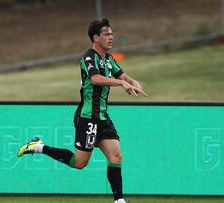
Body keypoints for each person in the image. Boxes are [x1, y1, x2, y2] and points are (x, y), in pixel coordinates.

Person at [17, 18, 147, 203]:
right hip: (87, 117)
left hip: (102, 117)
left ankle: (119, 200)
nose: (111, 37)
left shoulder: (109, 59)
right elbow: (95, 79)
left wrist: (132, 81)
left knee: (116, 156)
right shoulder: (88, 57)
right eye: (107, 34)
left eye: (111, 34)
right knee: (79, 163)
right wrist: (121, 83)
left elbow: (122, 74)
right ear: (96, 37)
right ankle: (38, 147)